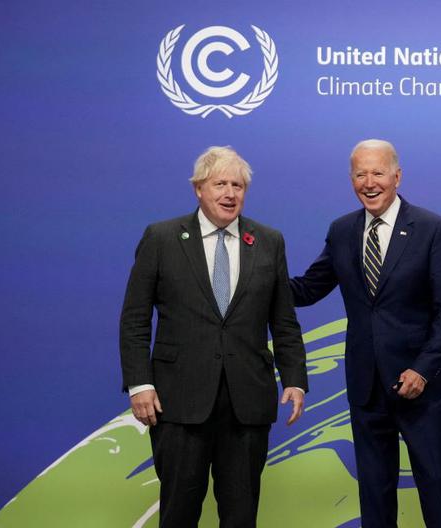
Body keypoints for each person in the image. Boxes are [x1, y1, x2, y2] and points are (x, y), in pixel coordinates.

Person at [119, 146, 308, 527]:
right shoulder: (162, 238)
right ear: (198, 189)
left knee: (240, 516)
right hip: (178, 401)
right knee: (178, 513)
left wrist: (295, 379)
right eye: (220, 183)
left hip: (247, 401)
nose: (230, 193)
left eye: (238, 185)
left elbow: (283, 319)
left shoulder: (269, 241)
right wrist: (140, 384)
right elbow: (135, 319)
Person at [290, 139, 441, 527]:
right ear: (351, 178)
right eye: (360, 174)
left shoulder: (433, 229)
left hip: (421, 387)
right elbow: (307, 289)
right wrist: (252, 273)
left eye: (378, 173)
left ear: (397, 176)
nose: (369, 182)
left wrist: (422, 370)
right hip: (367, 386)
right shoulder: (341, 231)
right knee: (374, 492)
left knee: (436, 488)